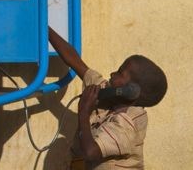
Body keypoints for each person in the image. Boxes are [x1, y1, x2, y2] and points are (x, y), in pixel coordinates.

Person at [49, 27, 168, 170]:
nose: (112, 74)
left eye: (119, 73)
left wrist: (84, 111)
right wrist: (45, 29)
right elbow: (75, 62)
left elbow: (90, 152)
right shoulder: (108, 93)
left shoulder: (128, 124)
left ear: (132, 91)